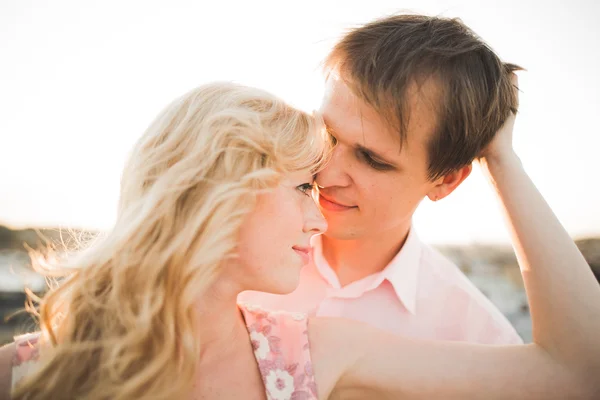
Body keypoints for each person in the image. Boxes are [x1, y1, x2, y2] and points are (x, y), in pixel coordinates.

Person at [1, 79, 600, 400]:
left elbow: (579, 376)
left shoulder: (309, 355)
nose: (319, 219)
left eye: (369, 157)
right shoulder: (33, 370)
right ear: (220, 193)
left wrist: (502, 156)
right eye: (301, 188)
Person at [240, 14, 525, 344]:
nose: (325, 174)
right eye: (328, 135)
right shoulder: (229, 248)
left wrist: (503, 160)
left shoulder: (476, 337)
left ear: (446, 181)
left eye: (371, 159)